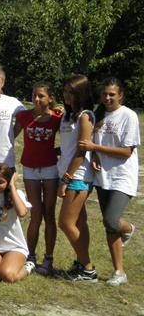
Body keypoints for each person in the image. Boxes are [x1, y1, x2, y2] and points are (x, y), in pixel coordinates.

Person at [80, 77, 139, 287]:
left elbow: (126, 151)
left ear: (120, 95)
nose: (107, 98)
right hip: (103, 177)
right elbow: (94, 143)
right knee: (109, 226)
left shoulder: (129, 116)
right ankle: (119, 272)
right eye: (104, 94)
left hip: (123, 176)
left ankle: (128, 228)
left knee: (112, 221)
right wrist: (95, 155)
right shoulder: (98, 115)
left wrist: (95, 149)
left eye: (112, 94)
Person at [14, 81, 61, 276]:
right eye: (34, 95)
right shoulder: (24, 116)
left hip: (50, 169)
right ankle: (30, 256)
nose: (36, 99)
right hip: (30, 169)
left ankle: (48, 258)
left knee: (49, 213)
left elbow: (71, 139)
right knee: (35, 214)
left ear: (50, 98)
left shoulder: (57, 118)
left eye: (41, 96)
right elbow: (9, 136)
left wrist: (58, 151)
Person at [57, 74, 97, 282]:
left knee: (65, 223)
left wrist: (66, 178)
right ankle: (81, 264)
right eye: (65, 91)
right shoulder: (69, 115)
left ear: (81, 93)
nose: (67, 96)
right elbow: (67, 147)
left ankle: (88, 268)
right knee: (80, 222)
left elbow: (81, 151)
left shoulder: (85, 116)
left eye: (71, 92)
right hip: (66, 172)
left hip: (78, 176)